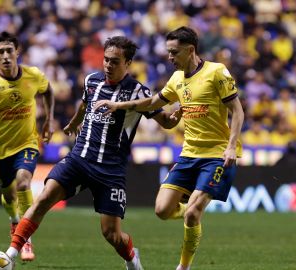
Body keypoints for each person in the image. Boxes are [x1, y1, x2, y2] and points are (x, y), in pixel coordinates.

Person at [5, 36, 182, 269]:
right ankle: (10, 255)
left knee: (111, 235)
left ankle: (131, 257)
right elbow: (85, 104)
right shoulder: (92, 80)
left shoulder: (139, 92)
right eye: (106, 60)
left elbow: (166, 122)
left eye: (115, 61)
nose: (108, 65)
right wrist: (73, 123)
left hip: (110, 170)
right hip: (79, 158)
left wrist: (178, 114)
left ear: (127, 63)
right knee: (44, 198)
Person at [94, 26, 245, 270]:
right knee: (162, 210)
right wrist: (120, 105)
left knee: (192, 214)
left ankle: (183, 266)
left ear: (191, 50)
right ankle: (190, 209)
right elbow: (153, 102)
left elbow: (237, 112)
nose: (169, 57)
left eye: (174, 53)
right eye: (168, 52)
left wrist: (230, 147)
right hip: (188, 155)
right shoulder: (176, 80)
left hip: (217, 155)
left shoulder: (216, 72)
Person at [0, 31, 54, 261]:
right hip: (1, 148)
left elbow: (48, 91)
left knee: (24, 180)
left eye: (9, 50)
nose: (6, 55)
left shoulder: (33, 75)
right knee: (8, 194)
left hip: (28, 142)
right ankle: (14, 222)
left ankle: (25, 240)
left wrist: (49, 120)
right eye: (1, 52)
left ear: (18, 52)